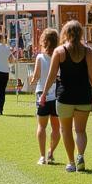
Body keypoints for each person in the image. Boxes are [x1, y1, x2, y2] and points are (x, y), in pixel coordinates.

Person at [41, 20, 92, 172]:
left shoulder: (59, 51)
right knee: (80, 131)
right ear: (81, 33)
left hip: (64, 96)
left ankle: (71, 162)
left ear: (65, 33)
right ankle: (80, 155)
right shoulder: (88, 52)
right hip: (83, 96)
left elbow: (52, 76)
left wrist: (44, 93)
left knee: (65, 130)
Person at [30, 27, 61, 164]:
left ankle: (42, 156)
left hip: (41, 92)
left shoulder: (40, 57)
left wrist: (31, 80)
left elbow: (36, 76)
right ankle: (51, 152)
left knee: (41, 126)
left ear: (43, 41)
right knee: (56, 127)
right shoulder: (60, 56)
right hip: (56, 94)